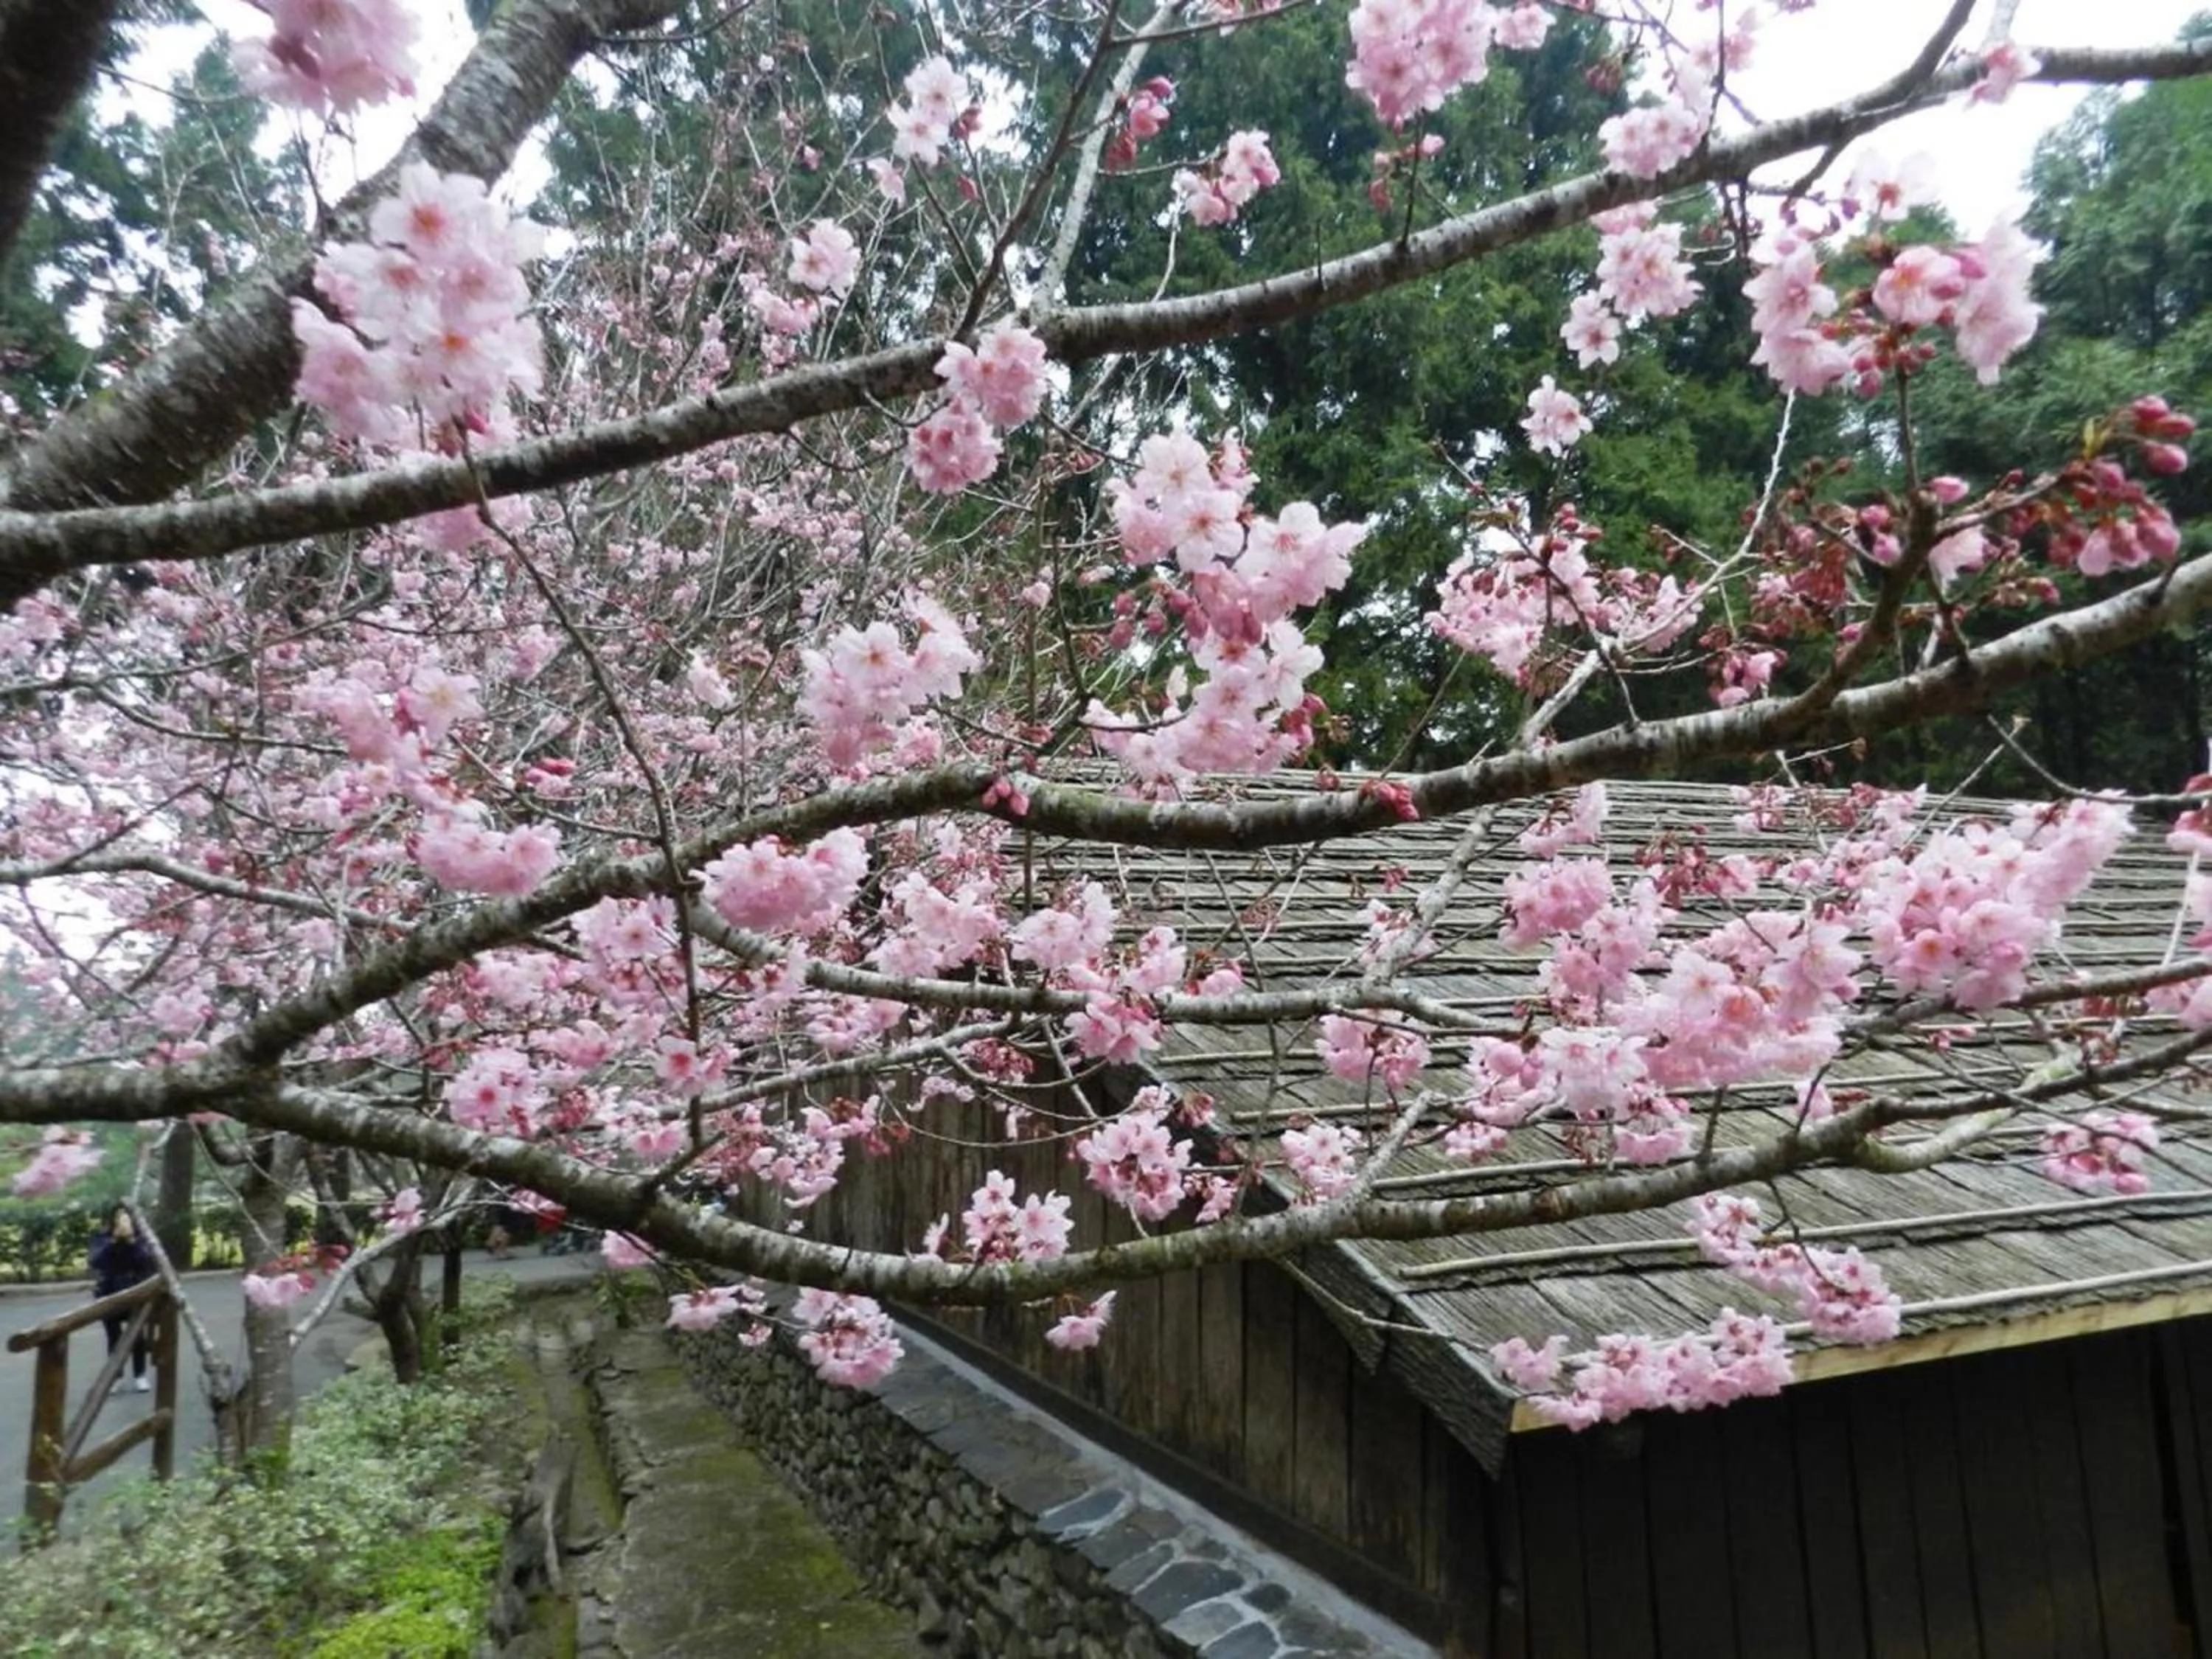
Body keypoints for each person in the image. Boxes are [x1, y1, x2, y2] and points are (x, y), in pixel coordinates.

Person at [88, 1206, 157, 1393]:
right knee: (114, 1337)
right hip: (109, 1291)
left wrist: (132, 1241)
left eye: (127, 1218)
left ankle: (140, 1375)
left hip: (136, 1290)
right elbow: (96, 1261)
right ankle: (116, 1376)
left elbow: (148, 1262)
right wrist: (113, 1241)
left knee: (138, 1335)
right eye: (119, 1217)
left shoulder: (142, 1238)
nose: (123, 1222)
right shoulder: (102, 1237)